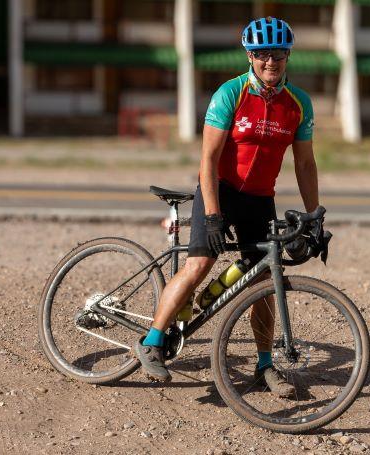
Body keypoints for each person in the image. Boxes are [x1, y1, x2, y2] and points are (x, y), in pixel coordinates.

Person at [134, 17, 319, 397]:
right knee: (199, 264)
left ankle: (265, 365)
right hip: (219, 188)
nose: (271, 62)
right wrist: (214, 215)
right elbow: (208, 159)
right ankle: (151, 341)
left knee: (263, 281)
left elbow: (304, 163)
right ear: (250, 56)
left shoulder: (297, 103)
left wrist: (314, 215)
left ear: (287, 56)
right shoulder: (230, 93)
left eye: (279, 54)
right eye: (263, 54)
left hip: (260, 198)